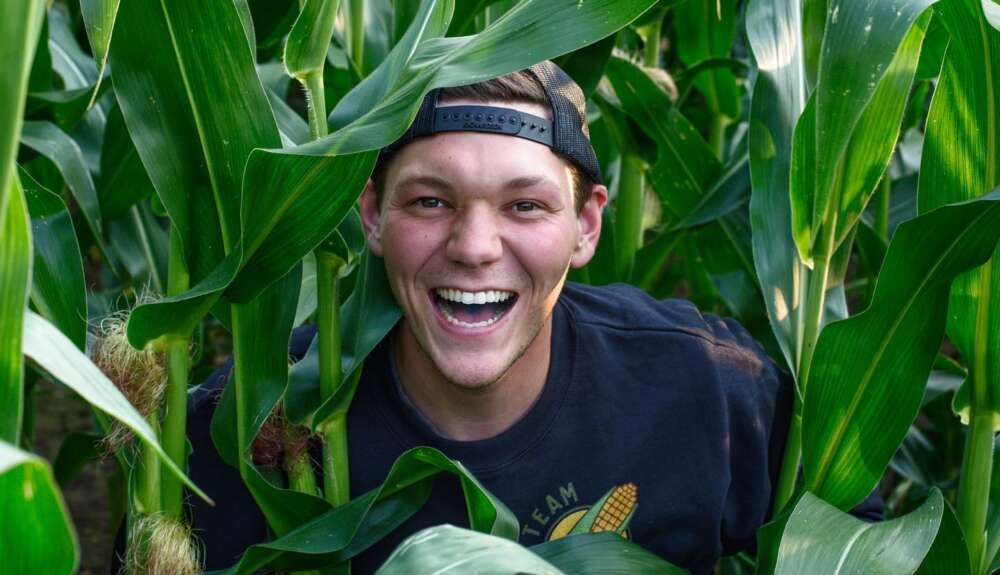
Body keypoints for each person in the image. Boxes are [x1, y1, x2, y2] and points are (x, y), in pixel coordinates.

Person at [175, 61, 882, 574]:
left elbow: (856, 538)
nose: (476, 247)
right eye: (430, 201)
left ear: (587, 224)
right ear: (371, 215)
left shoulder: (701, 385)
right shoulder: (249, 429)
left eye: (525, 205)